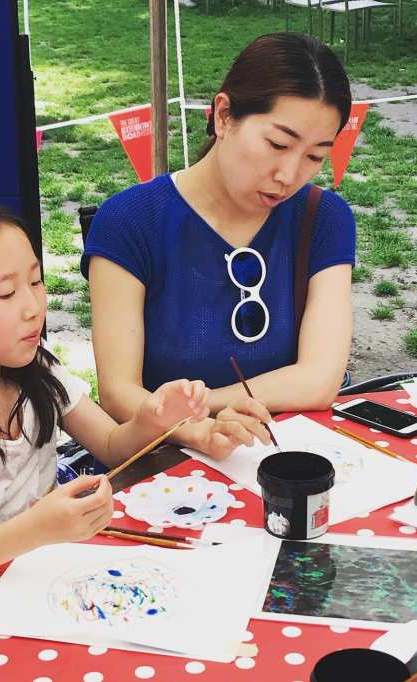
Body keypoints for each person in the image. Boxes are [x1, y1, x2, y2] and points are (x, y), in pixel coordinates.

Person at [0, 198, 271, 682]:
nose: (33, 306)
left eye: (36, 282)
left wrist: (156, 419)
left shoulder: (33, 369)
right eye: (5, 294)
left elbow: (111, 443)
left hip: (46, 593)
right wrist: (36, 529)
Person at [82, 32, 356, 462]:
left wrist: (204, 404)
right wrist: (194, 428)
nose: (289, 174)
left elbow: (320, 380)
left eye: (315, 156)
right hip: (164, 465)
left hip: (282, 459)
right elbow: (118, 393)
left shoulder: (323, 218)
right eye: (278, 145)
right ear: (224, 115)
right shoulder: (131, 221)